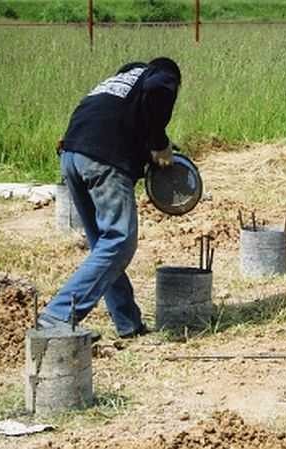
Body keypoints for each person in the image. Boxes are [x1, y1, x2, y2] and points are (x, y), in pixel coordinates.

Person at [37, 57, 181, 338]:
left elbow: (123, 121)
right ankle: (57, 315)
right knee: (119, 241)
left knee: (103, 246)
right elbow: (157, 89)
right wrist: (160, 143)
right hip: (102, 159)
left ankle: (127, 322)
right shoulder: (159, 74)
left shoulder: (114, 87)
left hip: (71, 155)